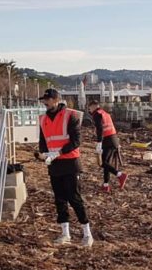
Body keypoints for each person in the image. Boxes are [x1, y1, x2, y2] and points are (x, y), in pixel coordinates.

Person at [36, 88, 93, 248]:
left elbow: (76, 140)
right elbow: (43, 141)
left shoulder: (70, 116)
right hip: (54, 164)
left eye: (47, 100)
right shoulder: (43, 119)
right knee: (59, 199)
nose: (44, 103)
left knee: (74, 198)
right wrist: (42, 155)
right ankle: (65, 233)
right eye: (43, 101)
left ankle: (87, 233)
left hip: (70, 162)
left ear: (56, 100)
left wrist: (58, 152)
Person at [88, 100, 128, 193]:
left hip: (107, 140)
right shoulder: (105, 113)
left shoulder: (97, 114)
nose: (89, 110)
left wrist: (99, 143)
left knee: (102, 163)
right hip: (114, 139)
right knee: (107, 163)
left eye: (89, 108)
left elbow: (100, 129)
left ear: (93, 106)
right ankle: (106, 185)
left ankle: (120, 175)